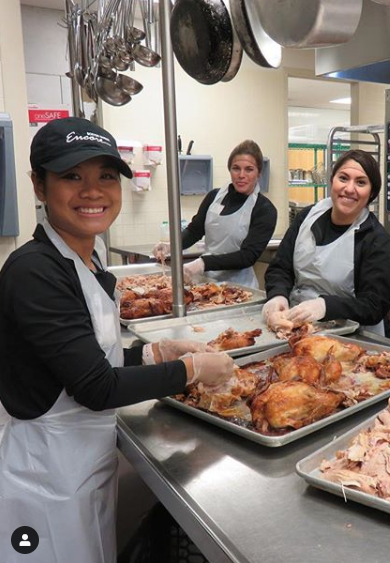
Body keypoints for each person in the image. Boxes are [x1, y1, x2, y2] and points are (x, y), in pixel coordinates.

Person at [0, 117, 235, 563]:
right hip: (45, 477)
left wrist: (153, 352)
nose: (93, 191)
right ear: (38, 185)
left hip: (81, 465)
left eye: (106, 176)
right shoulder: (35, 272)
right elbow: (96, 387)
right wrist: (191, 370)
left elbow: (88, 357)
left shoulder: (86, 261)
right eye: (72, 177)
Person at [263, 149, 390, 336]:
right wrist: (277, 295)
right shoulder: (306, 217)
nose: (349, 189)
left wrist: (325, 306)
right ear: (332, 181)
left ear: (372, 193)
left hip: (355, 336)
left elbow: (374, 305)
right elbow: (280, 267)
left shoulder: (378, 242)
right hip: (298, 326)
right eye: (343, 178)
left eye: (360, 182)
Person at [152, 140, 277, 288]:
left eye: (249, 169)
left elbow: (247, 257)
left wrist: (202, 263)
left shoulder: (264, 209)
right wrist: (171, 246)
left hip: (240, 288)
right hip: (207, 284)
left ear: (259, 173)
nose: (241, 175)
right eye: (236, 168)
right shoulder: (214, 197)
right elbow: (194, 231)